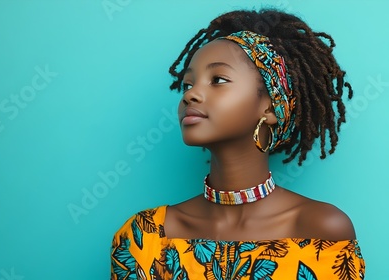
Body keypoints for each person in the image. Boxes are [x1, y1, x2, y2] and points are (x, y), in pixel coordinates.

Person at [110, 9, 365, 280]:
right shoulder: (144, 237)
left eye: (218, 80)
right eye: (187, 85)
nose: (191, 95)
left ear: (270, 107)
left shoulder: (321, 231)